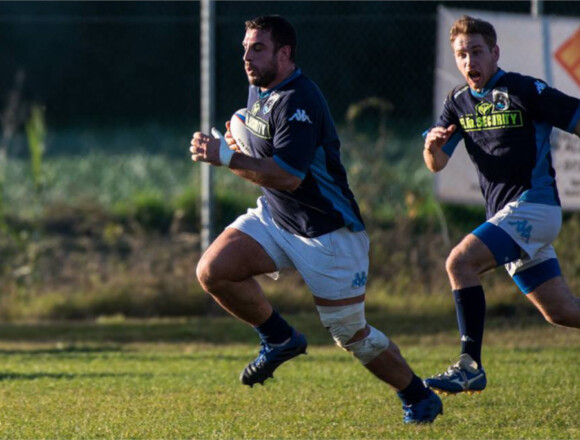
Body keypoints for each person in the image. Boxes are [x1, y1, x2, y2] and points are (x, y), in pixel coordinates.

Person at [190, 15, 442, 424]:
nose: (246, 57)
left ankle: (418, 395)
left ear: (284, 54)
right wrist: (238, 145)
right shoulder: (260, 87)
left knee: (352, 337)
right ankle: (279, 337)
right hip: (277, 217)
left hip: (329, 235)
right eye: (244, 48)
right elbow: (263, 155)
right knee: (214, 270)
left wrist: (225, 157)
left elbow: (289, 176)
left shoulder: (299, 99)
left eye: (257, 48)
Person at [423, 15, 580, 395]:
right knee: (561, 312)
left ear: (494, 52)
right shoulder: (457, 101)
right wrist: (431, 148)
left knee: (460, 262)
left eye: (477, 51)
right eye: (461, 54)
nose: (469, 61)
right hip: (508, 218)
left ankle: (469, 365)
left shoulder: (524, 89)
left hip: (535, 207)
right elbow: (437, 162)